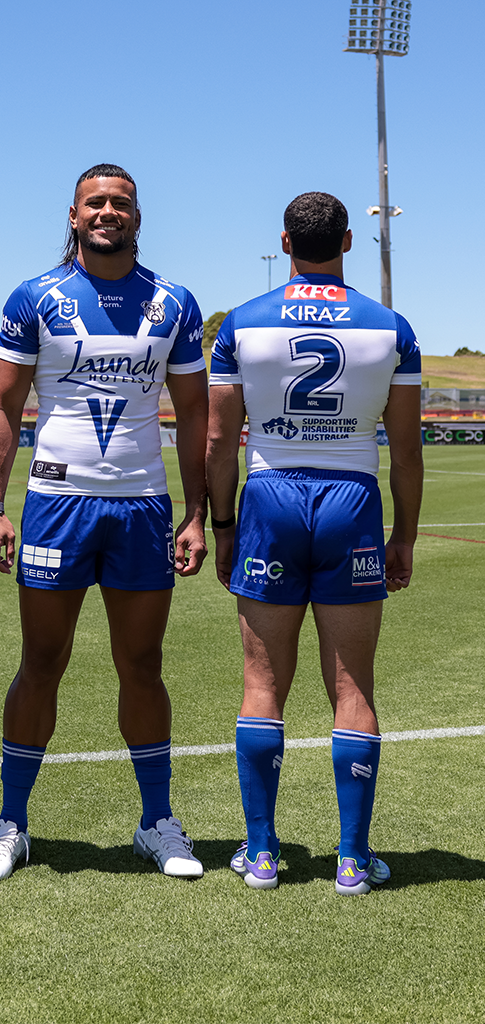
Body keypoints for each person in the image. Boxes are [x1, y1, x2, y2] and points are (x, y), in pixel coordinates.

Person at [0, 163, 209, 883]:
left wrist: (197, 513)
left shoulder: (173, 302)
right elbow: (3, 408)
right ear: (74, 215)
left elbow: (195, 413)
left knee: (142, 665)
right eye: (95, 203)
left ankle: (157, 822)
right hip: (58, 505)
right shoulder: (36, 297)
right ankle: (11, 823)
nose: (108, 212)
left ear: (137, 216)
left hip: (141, 507)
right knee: (42, 663)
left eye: (121, 203)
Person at [206, 191, 423, 894]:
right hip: (351, 500)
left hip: (270, 495)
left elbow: (218, 443)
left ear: (285, 242)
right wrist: (403, 537)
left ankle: (261, 855)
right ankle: (352, 861)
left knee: (262, 684)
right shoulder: (391, 328)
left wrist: (223, 526)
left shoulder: (242, 322)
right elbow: (407, 452)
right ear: (348, 241)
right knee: (353, 685)